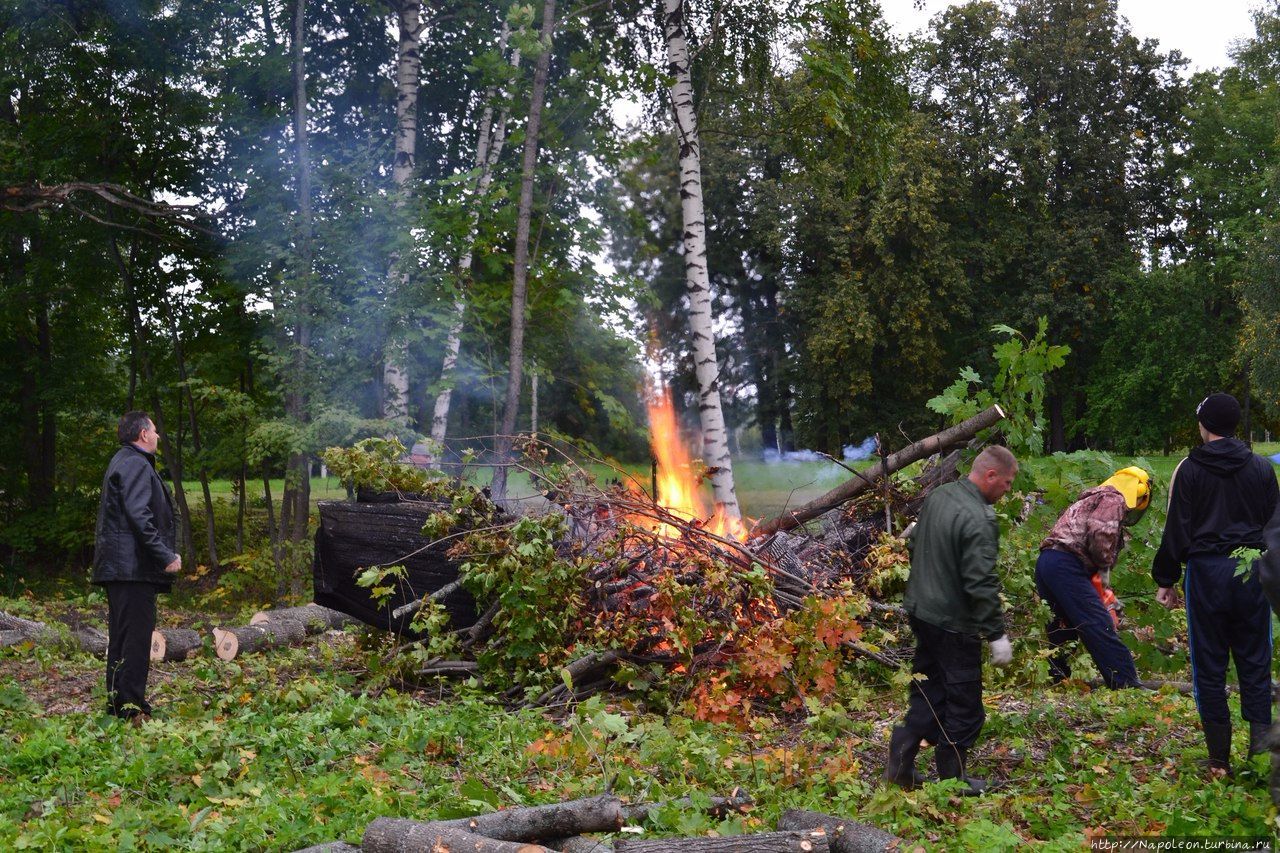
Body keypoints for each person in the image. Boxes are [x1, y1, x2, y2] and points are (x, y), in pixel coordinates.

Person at [1153, 393, 1278, 775]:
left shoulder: (1190, 470)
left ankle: (1218, 761)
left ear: (1204, 426)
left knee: (1208, 664)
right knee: (1255, 661)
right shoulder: (1261, 469)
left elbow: (1178, 528)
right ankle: (1258, 757)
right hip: (1251, 572)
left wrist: (1166, 579)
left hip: (1206, 574)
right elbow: (1275, 528)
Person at [883, 445, 1018, 796]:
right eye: (1006, 482)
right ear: (990, 475)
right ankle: (953, 780)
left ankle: (900, 766)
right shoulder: (979, 518)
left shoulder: (941, 495)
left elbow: (915, 546)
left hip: (920, 611)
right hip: (953, 622)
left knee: (929, 690)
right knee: (963, 701)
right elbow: (980, 582)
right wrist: (996, 634)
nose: (1008, 490)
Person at [92, 411, 181, 722]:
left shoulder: (125, 461)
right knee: (135, 639)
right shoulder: (134, 463)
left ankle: (118, 706)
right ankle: (130, 710)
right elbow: (139, 516)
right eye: (154, 431)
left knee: (121, 636)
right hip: (131, 568)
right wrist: (165, 555)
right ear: (143, 434)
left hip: (123, 568)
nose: (157, 436)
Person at [1035, 467, 1151, 689]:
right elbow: (1100, 535)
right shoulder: (1113, 499)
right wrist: (1104, 568)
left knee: (1062, 627)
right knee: (1097, 624)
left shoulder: (1095, 498)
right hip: (1066, 564)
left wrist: (1104, 590)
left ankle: (1059, 681)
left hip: (1049, 562)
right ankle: (1126, 683)